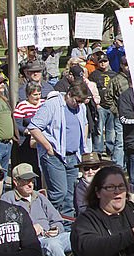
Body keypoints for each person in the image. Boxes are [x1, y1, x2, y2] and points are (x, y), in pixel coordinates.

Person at [2, 163, 74, 256]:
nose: (30, 184)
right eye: (26, 180)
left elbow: (57, 220)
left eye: (32, 180)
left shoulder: (39, 197)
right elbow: (7, 229)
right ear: (16, 182)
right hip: (31, 243)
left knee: (80, 238)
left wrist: (56, 229)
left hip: (54, 236)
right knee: (52, 245)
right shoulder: (8, 199)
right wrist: (29, 229)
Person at [27, 82, 92, 219]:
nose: (78, 104)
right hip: (55, 156)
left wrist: (83, 142)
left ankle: (67, 225)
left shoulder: (81, 108)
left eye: (81, 102)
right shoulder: (52, 105)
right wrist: (48, 147)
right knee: (59, 192)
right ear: (69, 94)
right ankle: (45, 218)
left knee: (70, 195)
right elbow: (33, 127)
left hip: (73, 156)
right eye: (77, 101)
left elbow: (85, 124)